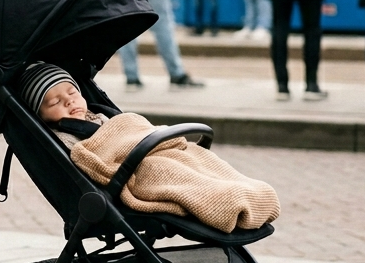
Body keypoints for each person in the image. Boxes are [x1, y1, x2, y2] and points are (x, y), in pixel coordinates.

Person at [18, 63, 278, 234]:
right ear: (42, 116)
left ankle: (239, 189)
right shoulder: (63, 136)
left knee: (194, 159)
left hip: (153, 149)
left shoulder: (101, 115)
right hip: (133, 172)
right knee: (172, 174)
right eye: (55, 102)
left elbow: (131, 130)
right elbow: (96, 162)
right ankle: (226, 199)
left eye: (72, 92)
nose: (69, 101)